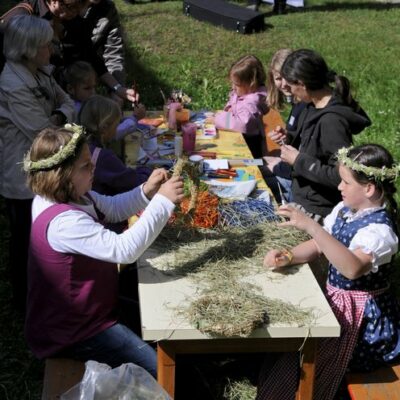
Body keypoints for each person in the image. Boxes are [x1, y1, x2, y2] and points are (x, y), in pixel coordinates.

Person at [24, 124, 184, 375]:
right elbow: (124, 250)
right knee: (162, 372)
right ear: (61, 174)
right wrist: (163, 202)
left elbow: (112, 207)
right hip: (74, 331)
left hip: (95, 309)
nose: (93, 169)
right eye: (86, 166)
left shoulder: (76, 195)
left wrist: (146, 192)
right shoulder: (63, 223)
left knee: (164, 319)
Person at [258, 143, 400, 400]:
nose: (339, 187)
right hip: (336, 303)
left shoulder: (380, 232)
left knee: (308, 354)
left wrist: (313, 227)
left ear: (368, 188)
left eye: (345, 182)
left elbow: (352, 268)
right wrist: (289, 256)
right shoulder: (346, 211)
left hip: (361, 323)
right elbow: (320, 245)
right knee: (294, 347)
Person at [0, 14, 75, 311]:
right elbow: (42, 132)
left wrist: (59, 117)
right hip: (21, 174)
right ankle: (23, 302)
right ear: (29, 48)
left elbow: (67, 103)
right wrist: (59, 119)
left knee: (40, 237)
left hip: (41, 166)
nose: (51, 49)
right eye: (46, 45)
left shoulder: (40, 72)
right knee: (24, 240)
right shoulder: (12, 83)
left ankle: (41, 293)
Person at [265, 49, 371, 220]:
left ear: (302, 83)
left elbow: (341, 176)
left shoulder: (332, 121)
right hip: (302, 196)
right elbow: (314, 145)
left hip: (317, 210)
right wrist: (289, 138)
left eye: (291, 86)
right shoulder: (311, 106)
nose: (290, 91)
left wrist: (298, 160)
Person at [0, 0, 138, 105]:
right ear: (54, 1)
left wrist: (117, 87)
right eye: (72, 7)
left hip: (57, 96)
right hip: (20, 100)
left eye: (80, 6)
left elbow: (89, 54)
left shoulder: (69, 15)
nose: (76, 12)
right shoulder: (19, 20)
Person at [78, 94, 150, 201]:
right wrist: (148, 171)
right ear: (104, 128)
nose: (117, 129)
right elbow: (132, 182)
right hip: (105, 211)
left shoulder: (82, 146)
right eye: (116, 125)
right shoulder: (103, 157)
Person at [64, 60, 146, 138]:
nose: (93, 92)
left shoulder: (86, 103)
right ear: (71, 89)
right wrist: (134, 118)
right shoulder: (77, 111)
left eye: (94, 87)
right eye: (87, 88)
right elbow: (111, 133)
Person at [213, 54, 269, 159]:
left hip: (249, 148)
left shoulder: (252, 102)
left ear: (251, 84)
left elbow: (243, 124)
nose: (233, 87)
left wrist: (218, 119)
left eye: (237, 85)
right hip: (240, 140)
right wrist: (229, 109)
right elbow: (233, 101)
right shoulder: (243, 93)